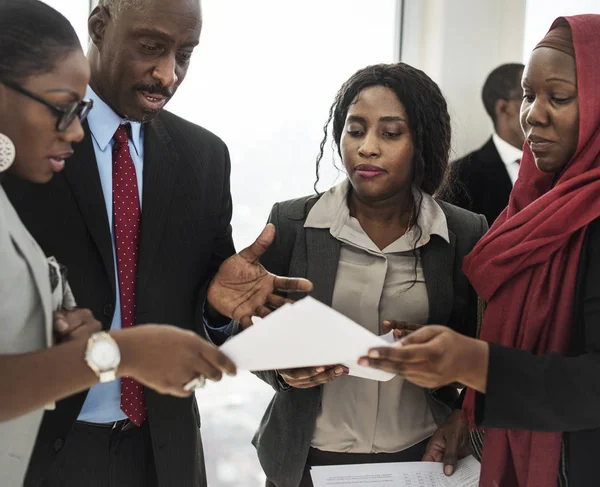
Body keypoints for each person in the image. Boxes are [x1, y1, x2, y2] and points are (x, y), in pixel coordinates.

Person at [2, 0, 311, 486]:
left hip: (163, 454)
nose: (167, 75)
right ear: (100, 26)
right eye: (151, 48)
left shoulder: (205, 157)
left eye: (185, 55)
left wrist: (214, 308)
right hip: (36, 448)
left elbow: (197, 310)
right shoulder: (27, 141)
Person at [360, 15, 600, 487]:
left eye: (560, 97)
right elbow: (514, 335)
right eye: (529, 95)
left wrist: (475, 361)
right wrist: (465, 412)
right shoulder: (529, 207)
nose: (533, 114)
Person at [248, 63, 488, 487]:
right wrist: (282, 370)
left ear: (422, 143)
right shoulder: (289, 223)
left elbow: (484, 347)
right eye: (355, 130)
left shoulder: (464, 232)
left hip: (421, 460)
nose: (367, 148)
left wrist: (455, 392)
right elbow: (249, 327)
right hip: (307, 461)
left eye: (390, 133)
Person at [442, 63, 525, 226]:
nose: (539, 108)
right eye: (529, 97)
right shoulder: (461, 176)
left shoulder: (561, 165)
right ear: (503, 108)